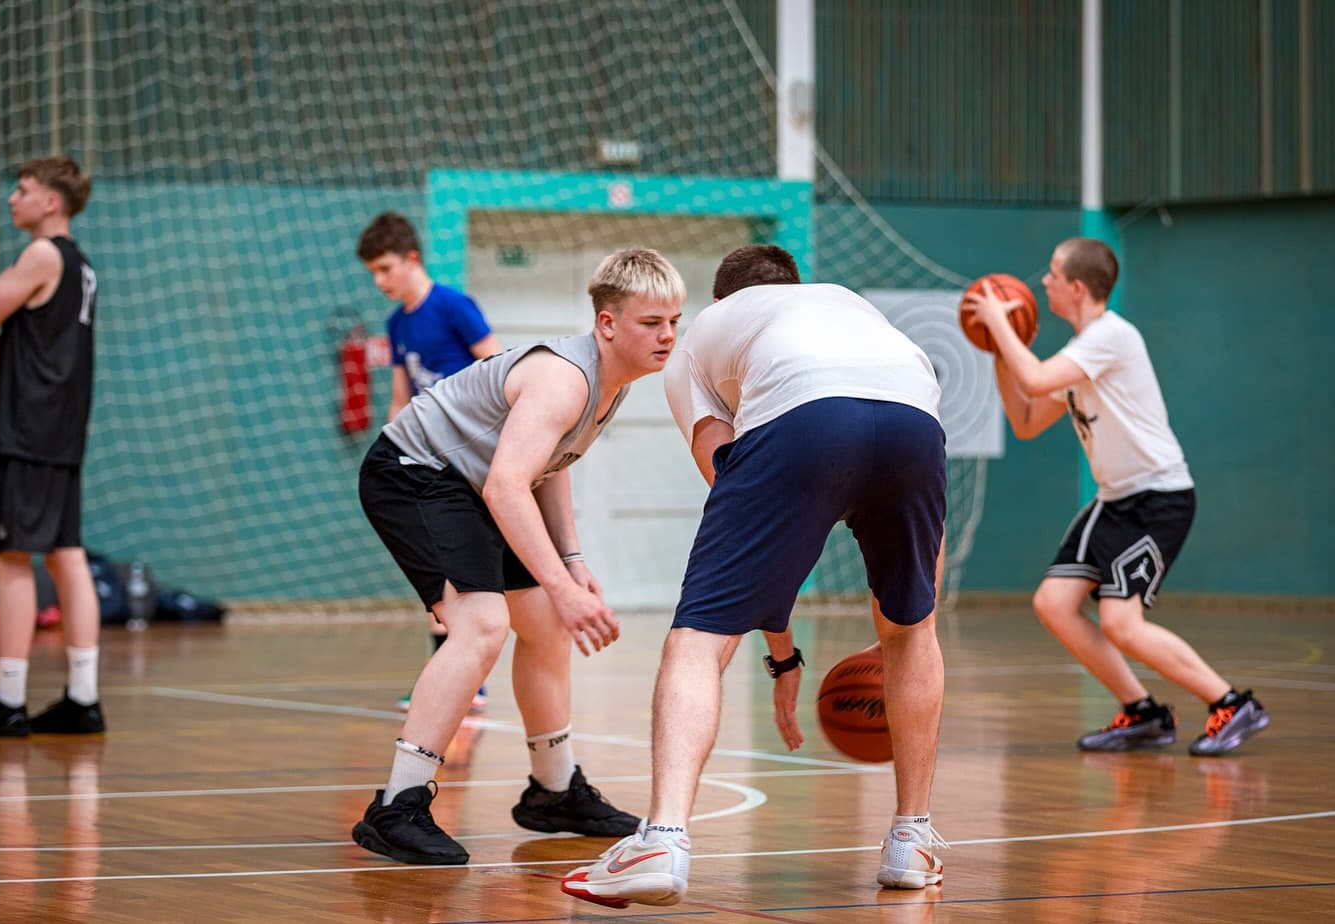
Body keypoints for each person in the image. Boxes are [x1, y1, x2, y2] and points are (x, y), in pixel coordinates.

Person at [562, 245, 949, 908]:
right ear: (790, 286)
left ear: (722, 299)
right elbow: (917, 577)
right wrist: (868, 623)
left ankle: (661, 839)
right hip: (916, 418)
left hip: (808, 414)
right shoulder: (848, 308)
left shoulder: (701, 341)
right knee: (914, 633)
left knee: (697, 639)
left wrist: (776, 646)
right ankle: (912, 838)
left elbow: (735, 501)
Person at [351, 247, 685, 865]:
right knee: (482, 625)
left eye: (674, 321)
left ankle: (553, 793)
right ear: (608, 324)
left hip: (470, 483)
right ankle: (396, 806)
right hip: (415, 471)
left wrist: (572, 558)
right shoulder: (567, 376)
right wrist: (559, 583)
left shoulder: (609, 382)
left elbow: (547, 466)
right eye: (651, 323)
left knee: (546, 625)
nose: (667, 336)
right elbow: (507, 484)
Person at [962, 237, 1269, 756]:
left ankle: (1231, 702)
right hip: (1116, 501)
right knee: (1054, 604)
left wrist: (998, 325)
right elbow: (1027, 419)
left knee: (1120, 622)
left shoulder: (1112, 337)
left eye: (1053, 274)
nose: (1044, 282)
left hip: (1158, 498)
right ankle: (1143, 711)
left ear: (1076, 288)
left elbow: (1035, 380)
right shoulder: (1081, 352)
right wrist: (999, 351)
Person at [357, 211, 503, 713]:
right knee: (435, 573)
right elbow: (402, 397)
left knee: (465, 569)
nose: (379, 282)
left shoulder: (453, 306)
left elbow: (497, 367)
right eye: (372, 273)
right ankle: (453, 676)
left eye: (385, 269)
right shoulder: (397, 323)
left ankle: (469, 680)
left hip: (466, 458)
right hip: (423, 458)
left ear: (412, 259)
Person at [0, 156, 104, 738]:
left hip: (29, 430)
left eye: (23, 189)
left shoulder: (39, 254)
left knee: (11, 558)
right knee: (67, 555)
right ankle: (82, 696)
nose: (12, 197)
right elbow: (39, 343)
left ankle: (7, 699)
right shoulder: (81, 266)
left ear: (51, 202)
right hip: (62, 428)